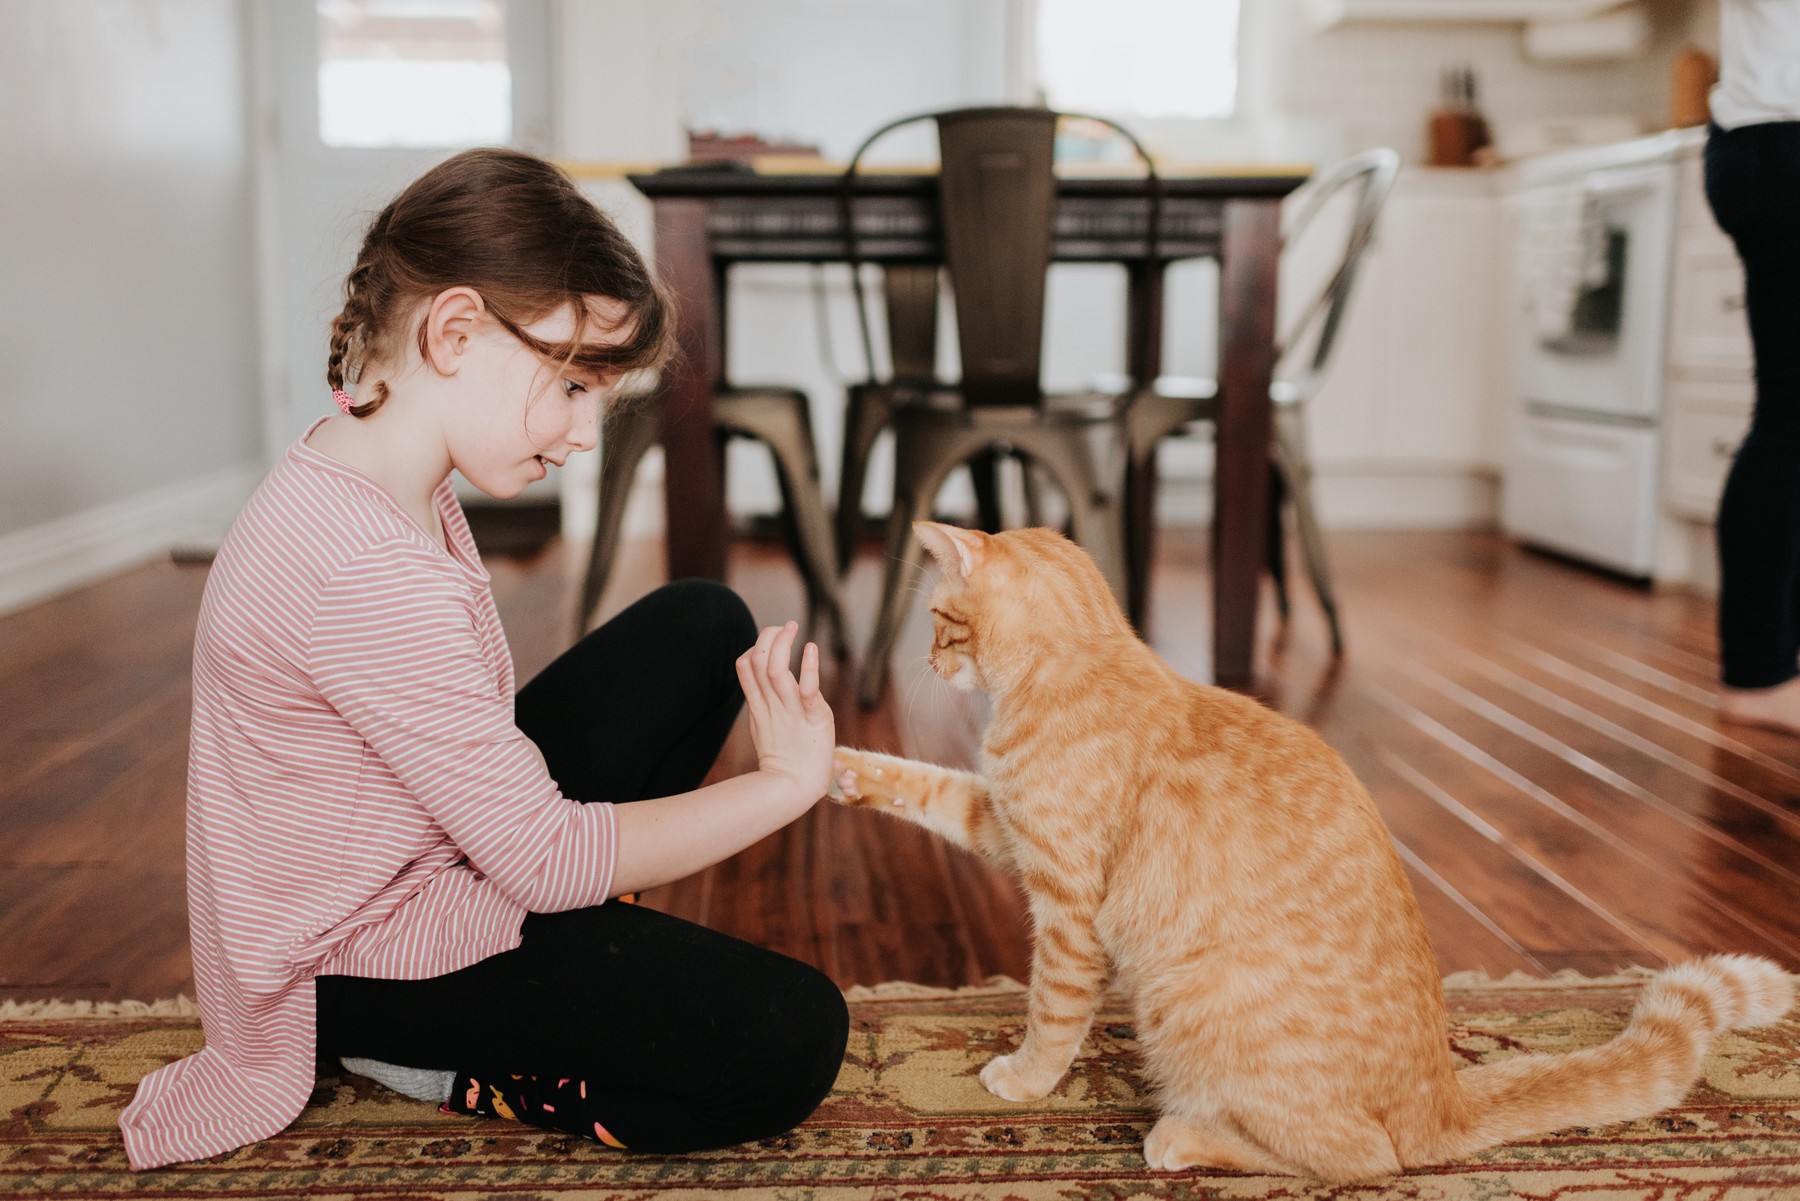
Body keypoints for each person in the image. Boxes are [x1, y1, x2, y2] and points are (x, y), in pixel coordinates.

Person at [118, 148, 850, 1170]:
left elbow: (486, 775)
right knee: (791, 1035)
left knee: (701, 622)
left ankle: (548, 986)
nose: (587, 431)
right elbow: (544, 861)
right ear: (454, 331)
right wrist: (785, 786)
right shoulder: (360, 563)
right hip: (346, 956)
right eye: (571, 384)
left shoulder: (383, 467)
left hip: (419, 853)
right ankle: (422, 1053)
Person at [1707, 0, 1800, 732]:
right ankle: (1759, 674)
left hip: (1764, 139)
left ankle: (1769, 662)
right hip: (1782, 143)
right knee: (1790, 419)